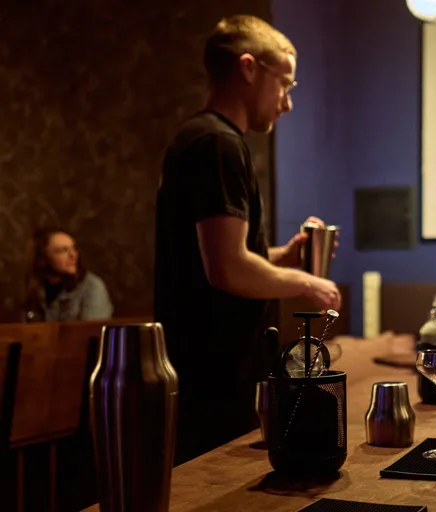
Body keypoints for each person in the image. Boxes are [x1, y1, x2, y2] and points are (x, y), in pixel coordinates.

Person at [154, 15, 341, 464]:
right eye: (285, 85)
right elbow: (227, 269)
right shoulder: (218, 143)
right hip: (213, 377)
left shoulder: (207, 138)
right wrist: (306, 284)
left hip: (210, 371)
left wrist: (284, 257)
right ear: (248, 68)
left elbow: (219, 259)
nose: (288, 103)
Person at [23, 228, 113, 322]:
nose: (73, 255)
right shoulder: (37, 290)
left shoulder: (91, 286)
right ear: (43, 257)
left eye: (73, 248)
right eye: (62, 250)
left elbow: (92, 332)